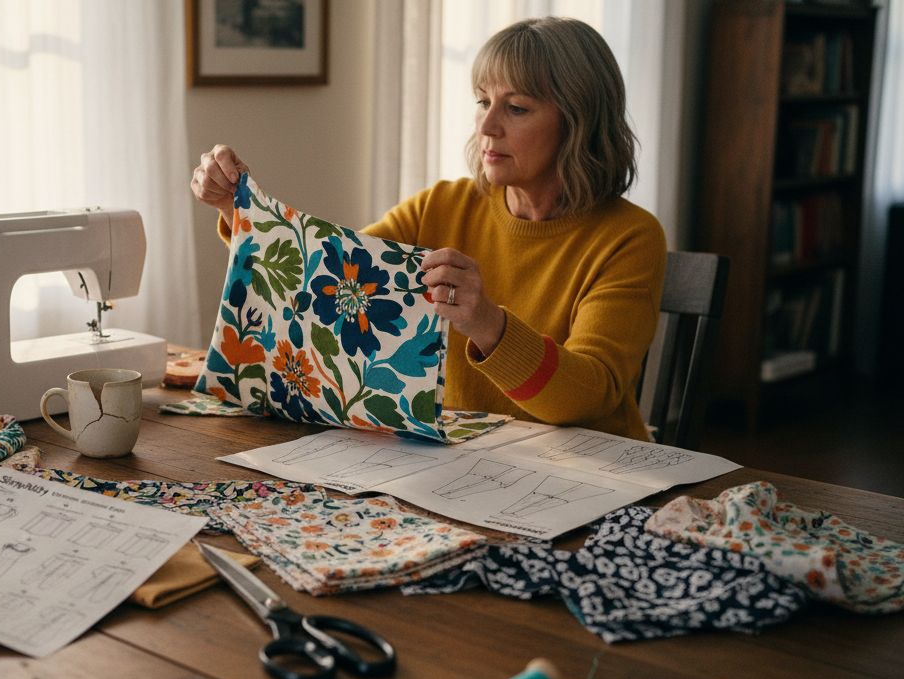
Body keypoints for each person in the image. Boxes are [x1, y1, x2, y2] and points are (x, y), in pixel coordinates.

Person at [189, 17, 665, 441]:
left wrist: (486, 323)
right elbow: (327, 282)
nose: (488, 126)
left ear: (578, 122)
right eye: (483, 102)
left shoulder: (630, 237)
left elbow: (585, 399)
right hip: (464, 462)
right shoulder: (442, 205)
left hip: (595, 480)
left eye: (516, 107)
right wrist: (239, 212)